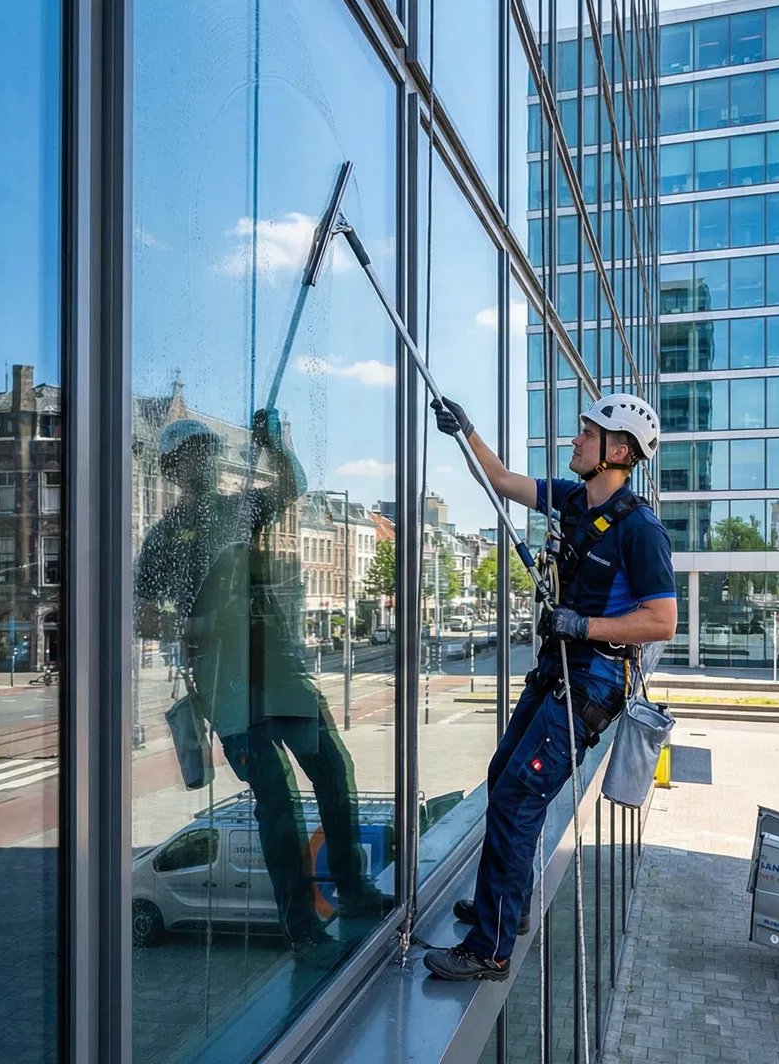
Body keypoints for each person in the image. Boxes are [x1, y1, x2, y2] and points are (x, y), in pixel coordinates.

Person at [421, 392, 676, 982]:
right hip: (555, 670)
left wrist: (582, 624)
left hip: (592, 681)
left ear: (618, 452)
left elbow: (662, 621)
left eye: (586, 435)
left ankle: (490, 948)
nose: (574, 441)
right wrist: (466, 431)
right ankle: (505, 907)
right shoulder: (573, 500)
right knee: (501, 776)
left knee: (518, 797)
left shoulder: (640, 531)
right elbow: (502, 480)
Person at [133, 411, 389, 965]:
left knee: (333, 771)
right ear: (175, 470)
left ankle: (353, 890)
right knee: (277, 801)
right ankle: (301, 927)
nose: (201, 462)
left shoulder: (236, 509)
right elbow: (140, 614)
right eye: (190, 456)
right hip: (226, 680)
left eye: (206, 451)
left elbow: (292, 484)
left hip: (278, 668)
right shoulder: (165, 538)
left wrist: (272, 443)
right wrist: (193, 625)